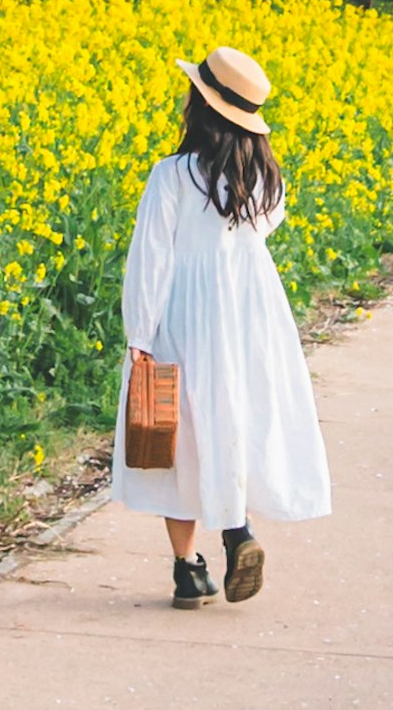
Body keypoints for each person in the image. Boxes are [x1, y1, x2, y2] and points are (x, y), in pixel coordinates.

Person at [112, 41, 333, 606]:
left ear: (199, 106)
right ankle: (237, 531)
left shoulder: (171, 175)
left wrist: (139, 332)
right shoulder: (267, 178)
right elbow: (256, 234)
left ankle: (187, 567)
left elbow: (152, 257)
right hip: (251, 313)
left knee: (176, 434)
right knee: (237, 415)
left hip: (185, 312)